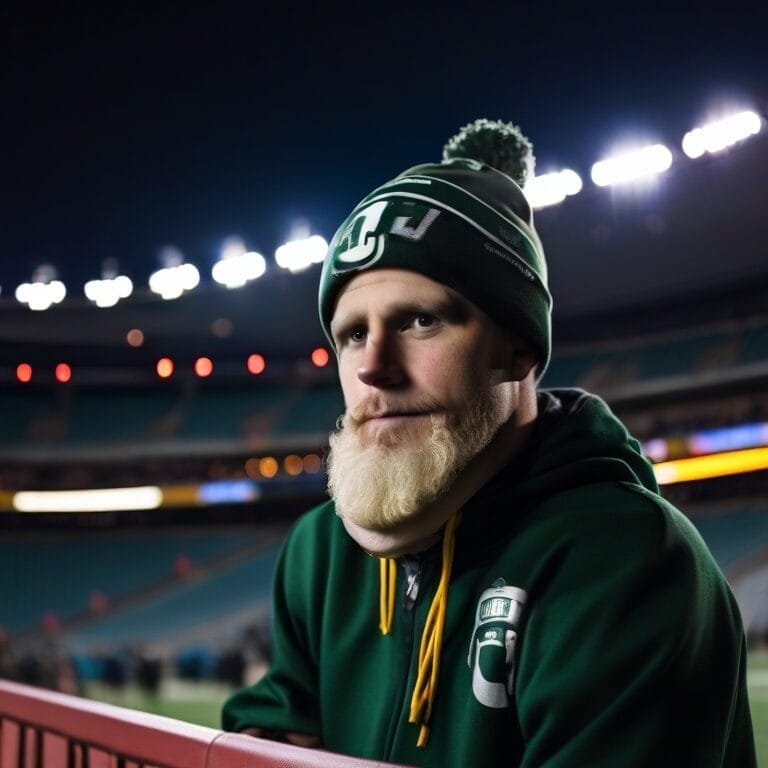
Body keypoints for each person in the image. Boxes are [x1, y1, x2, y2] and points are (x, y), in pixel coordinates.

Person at [223, 119, 756, 766]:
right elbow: (286, 707)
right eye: (352, 334)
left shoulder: (624, 558)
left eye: (421, 321)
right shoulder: (321, 551)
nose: (373, 366)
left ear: (518, 350)